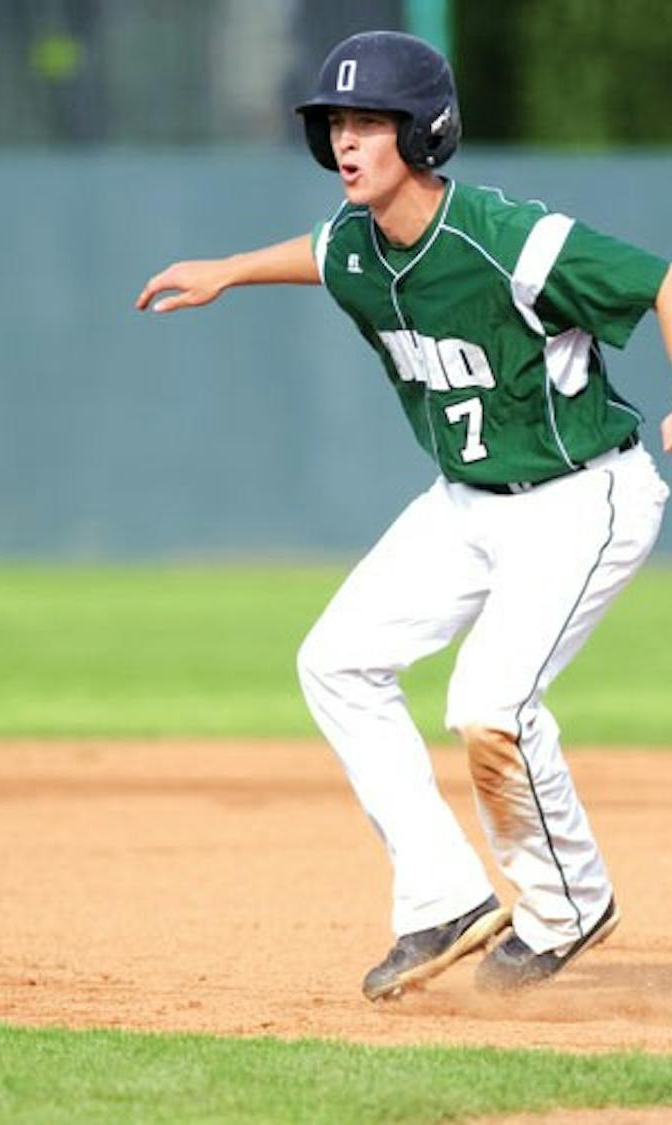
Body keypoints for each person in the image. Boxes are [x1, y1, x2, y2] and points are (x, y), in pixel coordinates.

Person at [137, 31, 672, 998]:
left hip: (582, 493)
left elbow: (661, 280)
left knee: (488, 706)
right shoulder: (355, 243)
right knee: (335, 660)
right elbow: (320, 252)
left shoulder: (510, 239)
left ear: (422, 133)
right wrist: (224, 268)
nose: (346, 141)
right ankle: (443, 897)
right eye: (336, 124)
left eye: (369, 123)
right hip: (467, 503)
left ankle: (568, 905)